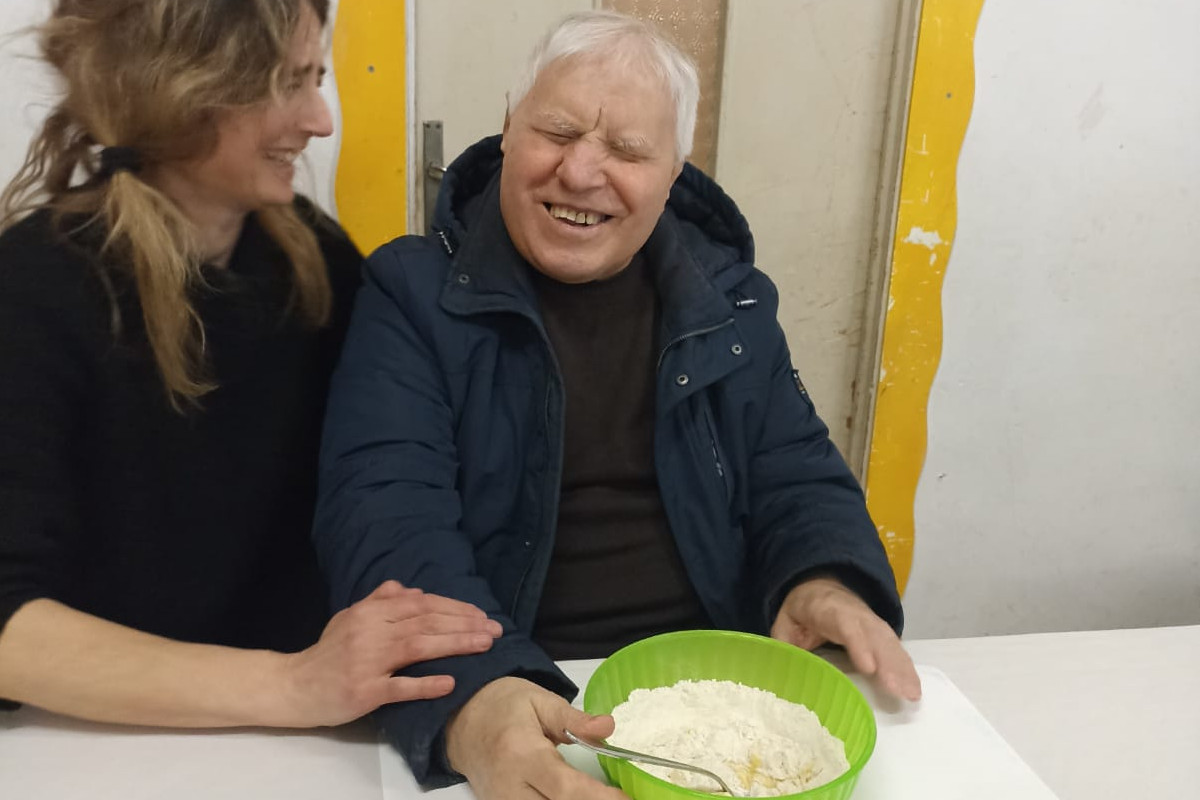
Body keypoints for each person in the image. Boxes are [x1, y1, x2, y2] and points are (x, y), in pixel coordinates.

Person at [313, 9, 922, 799]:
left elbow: (797, 473)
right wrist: (478, 700)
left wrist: (823, 580)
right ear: (507, 129)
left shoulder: (731, 305)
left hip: (712, 707)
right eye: (556, 132)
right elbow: (386, 518)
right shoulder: (410, 294)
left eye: (628, 151)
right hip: (518, 690)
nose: (579, 173)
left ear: (676, 170)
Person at [0, 0, 501, 729]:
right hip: (98, 741)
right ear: (183, 88)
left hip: (305, 738)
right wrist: (291, 685)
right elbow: (9, 625)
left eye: (317, 78)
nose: (320, 119)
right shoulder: (34, 287)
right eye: (287, 83)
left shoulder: (314, 259)